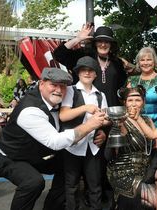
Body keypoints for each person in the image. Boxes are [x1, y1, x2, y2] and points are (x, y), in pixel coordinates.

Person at [0, 67, 107, 210]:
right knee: (33, 182)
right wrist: (90, 125)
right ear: (41, 84)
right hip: (8, 157)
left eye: (63, 86)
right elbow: (55, 141)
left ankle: (52, 207)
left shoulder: (58, 103)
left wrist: (99, 131)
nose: (58, 90)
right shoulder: (30, 110)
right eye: (53, 84)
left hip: (35, 153)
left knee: (68, 167)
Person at [59, 56, 108, 210]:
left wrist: (103, 130)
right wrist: (86, 108)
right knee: (71, 185)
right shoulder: (70, 91)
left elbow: (107, 119)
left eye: (90, 70)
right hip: (73, 146)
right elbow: (63, 115)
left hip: (93, 146)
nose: (87, 73)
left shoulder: (101, 95)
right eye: (83, 70)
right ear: (78, 73)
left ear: (95, 74)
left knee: (95, 185)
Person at [105, 86, 157, 210]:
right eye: (130, 100)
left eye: (138, 100)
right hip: (123, 171)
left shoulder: (147, 120)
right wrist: (117, 129)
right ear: (124, 103)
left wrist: (152, 170)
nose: (134, 103)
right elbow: (109, 156)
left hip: (145, 169)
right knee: (151, 198)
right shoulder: (120, 120)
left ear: (144, 102)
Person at [54, 23, 127, 107]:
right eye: (100, 41)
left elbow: (122, 86)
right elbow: (58, 54)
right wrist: (77, 39)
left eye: (106, 42)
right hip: (84, 110)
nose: (103, 44)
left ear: (111, 44)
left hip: (110, 110)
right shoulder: (83, 56)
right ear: (95, 43)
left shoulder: (117, 62)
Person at [126, 47, 157, 164]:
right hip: (137, 121)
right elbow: (125, 101)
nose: (145, 63)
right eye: (142, 60)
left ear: (154, 61)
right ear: (138, 62)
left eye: (149, 60)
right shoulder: (131, 80)